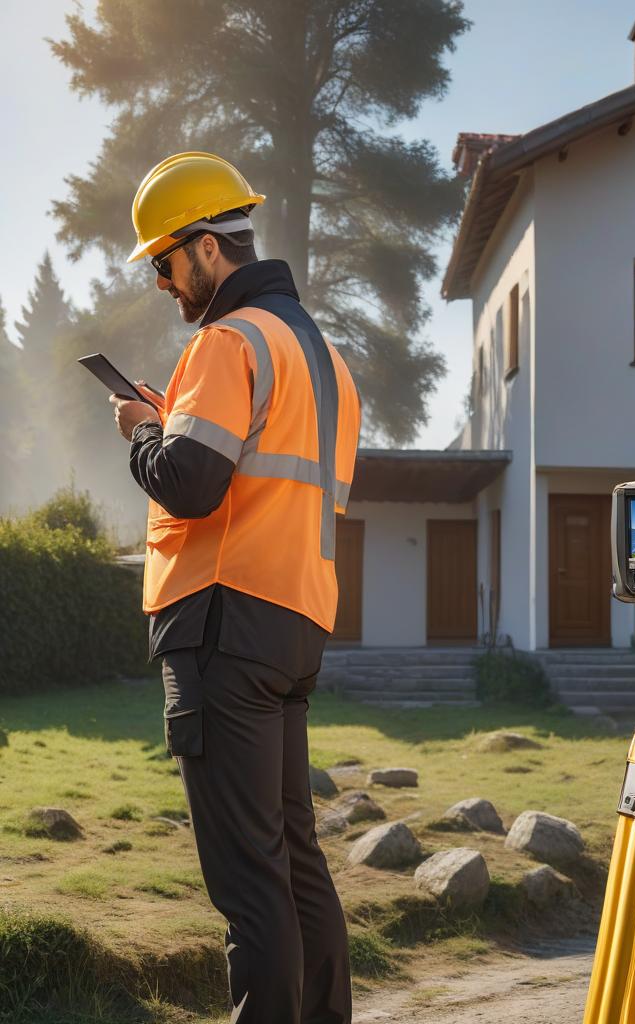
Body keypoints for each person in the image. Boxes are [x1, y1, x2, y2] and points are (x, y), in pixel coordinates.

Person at [108, 151, 360, 1024]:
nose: (164, 285)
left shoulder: (228, 341)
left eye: (166, 264)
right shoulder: (323, 358)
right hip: (295, 625)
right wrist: (168, 426)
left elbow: (191, 482)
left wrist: (144, 430)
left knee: (249, 884)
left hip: (223, 627)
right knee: (293, 861)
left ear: (209, 248)